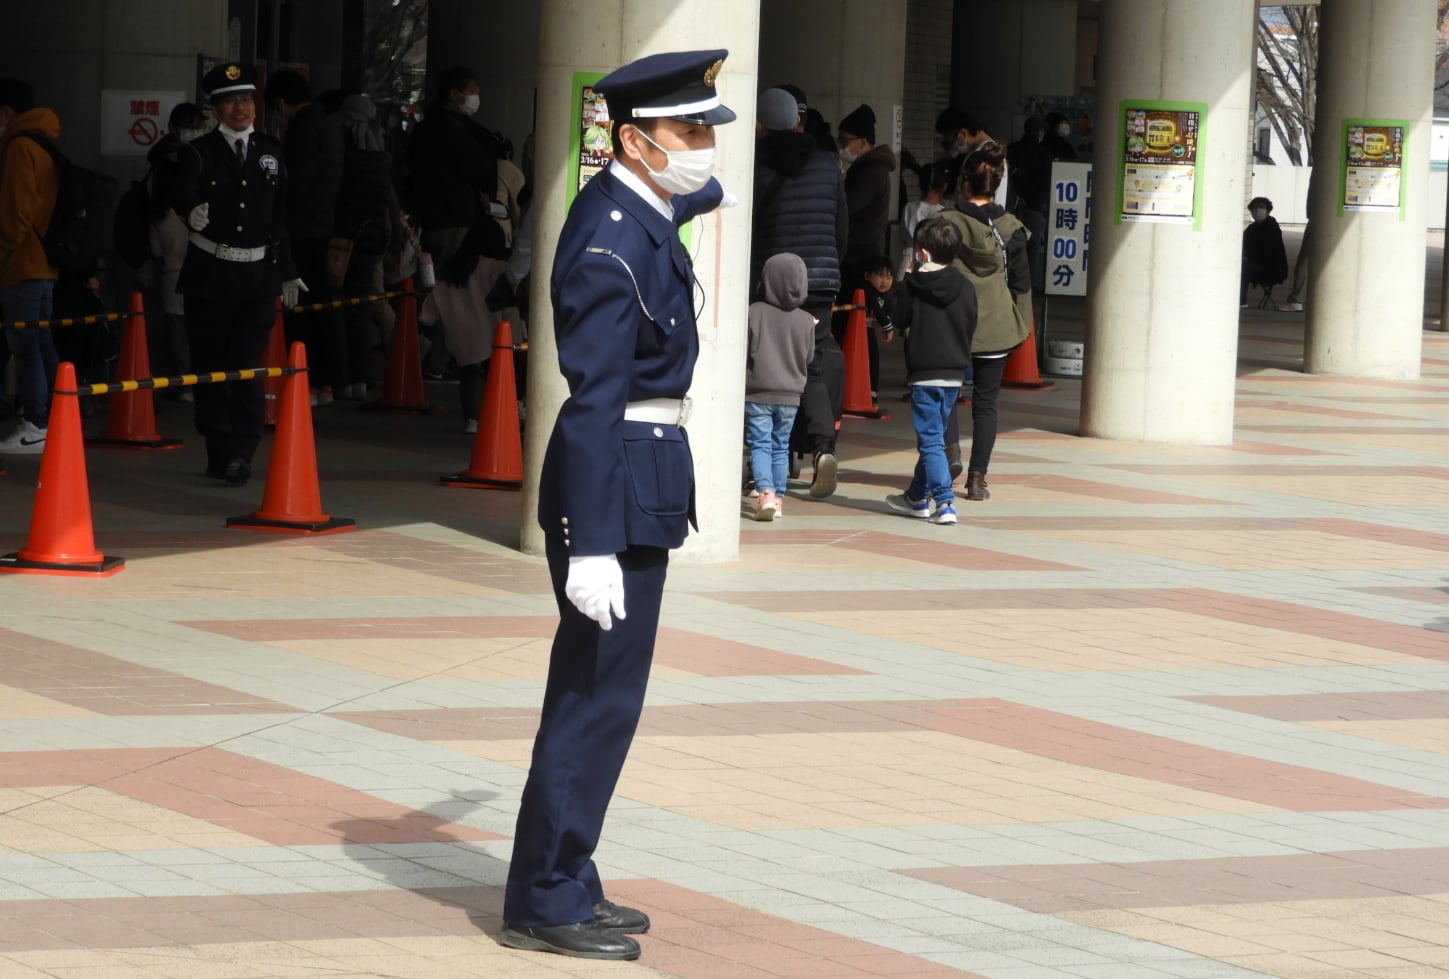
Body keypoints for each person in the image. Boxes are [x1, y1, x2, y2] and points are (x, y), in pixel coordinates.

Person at [502, 48, 734, 962]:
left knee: (609, 697)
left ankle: (568, 872)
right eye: (687, 131)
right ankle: (544, 897)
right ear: (634, 142)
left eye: (707, 129)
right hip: (613, 480)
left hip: (644, 470)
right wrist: (591, 541)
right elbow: (592, 400)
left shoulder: (644, 206)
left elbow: (693, 197)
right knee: (592, 697)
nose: (702, 147)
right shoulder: (608, 240)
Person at [172, 62, 301, 486]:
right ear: (215, 109)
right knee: (210, 367)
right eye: (230, 102)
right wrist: (190, 210)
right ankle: (219, 445)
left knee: (247, 366)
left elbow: (279, 217)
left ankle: (242, 451)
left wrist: (287, 271)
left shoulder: (270, 151)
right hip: (210, 275)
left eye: (246, 99)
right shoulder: (199, 152)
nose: (240, 108)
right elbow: (181, 191)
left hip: (257, 277)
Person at [750, 86, 848, 499]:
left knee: (766, 366)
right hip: (821, 280)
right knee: (813, 368)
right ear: (797, 120)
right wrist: (830, 269)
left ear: (760, 124)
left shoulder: (755, 163)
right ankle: (823, 449)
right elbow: (841, 227)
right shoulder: (827, 164)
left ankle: (768, 462)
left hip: (770, 282)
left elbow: (751, 225)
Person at [940, 143, 1031, 502]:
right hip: (995, 325)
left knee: (945, 394)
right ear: (997, 184)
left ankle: (950, 453)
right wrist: (1020, 326)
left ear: (964, 181)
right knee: (986, 404)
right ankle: (977, 480)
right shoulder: (1011, 228)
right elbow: (1021, 284)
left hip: (950, 322)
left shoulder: (944, 222)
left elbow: (928, 270)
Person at [407, 66, 498, 378]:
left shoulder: (424, 129)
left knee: (431, 289)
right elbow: (480, 167)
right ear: (455, 95)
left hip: (430, 222)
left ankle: (427, 353)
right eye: (472, 91)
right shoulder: (460, 131)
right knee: (454, 292)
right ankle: (444, 358)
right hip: (456, 220)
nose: (476, 97)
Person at [886, 217, 976, 526]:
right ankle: (916, 497)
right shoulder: (966, 286)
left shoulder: (914, 285)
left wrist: (903, 281)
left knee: (931, 441)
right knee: (935, 437)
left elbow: (898, 318)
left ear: (922, 253)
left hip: (925, 372)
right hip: (954, 372)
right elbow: (971, 323)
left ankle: (945, 502)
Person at [266, 70, 345, 404]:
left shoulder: (302, 129)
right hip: (323, 226)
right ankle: (326, 382)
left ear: (280, 103)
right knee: (321, 307)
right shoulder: (327, 125)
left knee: (300, 309)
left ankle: (307, 381)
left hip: (301, 231)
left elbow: (295, 184)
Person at [0, 77, 61, 455]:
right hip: (44, 263)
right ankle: (55, 419)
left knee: (25, 345)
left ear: (6, 112)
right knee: (41, 341)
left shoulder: (20, 146)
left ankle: (35, 423)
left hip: (22, 262)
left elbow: (16, 216)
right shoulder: (44, 140)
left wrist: (4, 248)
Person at [333, 93, 403, 399]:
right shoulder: (381, 158)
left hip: (339, 240)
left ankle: (342, 377)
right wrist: (395, 237)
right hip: (372, 240)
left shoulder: (340, 153)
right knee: (361, 306)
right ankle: (362, 376)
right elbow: (389, 202)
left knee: (335, 306)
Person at [745, 252, 815, 522]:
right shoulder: (806, 320)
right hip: (791, 394)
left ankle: (765, 493)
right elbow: (809, 357)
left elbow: (745, 350)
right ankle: (779, 500)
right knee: (781, 445)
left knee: (760, 444)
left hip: (759, 391)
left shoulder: (754, 312)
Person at [836, 103, 895, 419]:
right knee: (856, 321)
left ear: (862, 142)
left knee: (856, 321)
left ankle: (863, 388)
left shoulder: (871, 170)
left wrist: (838, 180)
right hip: (859, 253)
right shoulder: (871, 168)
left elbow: (848, 204)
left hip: (858, 257)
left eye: (845, 141)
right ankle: (862, 387)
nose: (841, 146)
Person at [143, 102, 206, 399]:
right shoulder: (203, 206)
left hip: (171, 274)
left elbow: (156, 248)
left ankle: (186, 384)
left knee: (177, 330)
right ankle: (204, 382)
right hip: (205, 273)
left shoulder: (161, 211)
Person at [1007, 117, 1050, 292]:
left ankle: (1010, 280)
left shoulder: (1012, 149)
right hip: (1034, 205)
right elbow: (1044, 181)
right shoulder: (1044, 153)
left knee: (1010, 243)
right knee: (1032, 246)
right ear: (1039, 132)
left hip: (1012, 204)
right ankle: (1030, 284)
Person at [935, 107, 1009, 209]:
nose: (952, 147)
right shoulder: (993, 152)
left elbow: (963, 197)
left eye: (950, 141)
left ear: (962, 134)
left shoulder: (978, 156)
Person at [1241, 196, 1289, 309]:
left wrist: (1248, 256)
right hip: (1257, 264)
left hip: (1271, 268)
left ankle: (1241, 300)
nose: (1257, 210)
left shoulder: (1272, 227)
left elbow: (1268, 249)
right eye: (1254, 208)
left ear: (1267, 210)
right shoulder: (1251, 228)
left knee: (1244, 267)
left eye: (1261, 207)